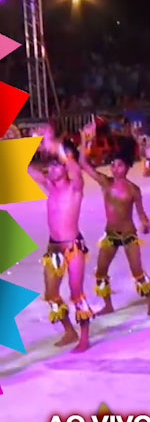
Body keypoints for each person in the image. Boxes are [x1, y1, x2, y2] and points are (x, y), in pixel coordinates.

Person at [79, 126, 150, 317]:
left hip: (129, 235)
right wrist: (84, 141)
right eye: (113, 165)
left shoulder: (133, 190)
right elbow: (83, 164)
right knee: (101, 271)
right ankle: (108, 305)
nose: (115, 169)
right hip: (111, 235)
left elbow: (141, 214)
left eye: (119, 165)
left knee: (137, 271)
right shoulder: (106, 183)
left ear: (128, 167)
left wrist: (146, 223)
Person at [28, 128, 93, 350]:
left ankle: (84, 337)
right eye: (50, 166)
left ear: (65, 167)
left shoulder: (75, 187)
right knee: (51, 294)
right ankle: (69, 331)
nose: (52, 169)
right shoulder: (50, 187)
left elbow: (74, 166)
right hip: (54, 248)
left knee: (76, 293)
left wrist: (57, 147)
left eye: (57, 165)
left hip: (74, 247)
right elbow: (25, 168)